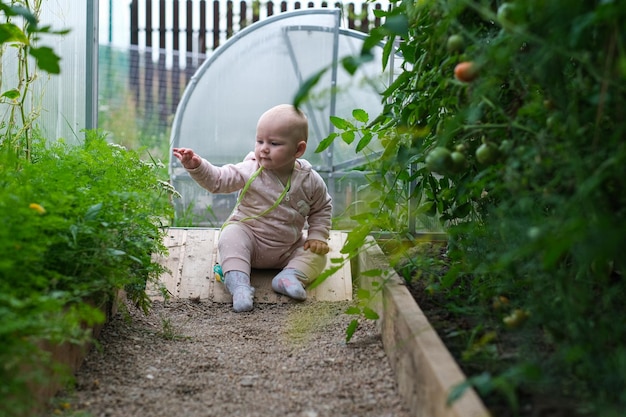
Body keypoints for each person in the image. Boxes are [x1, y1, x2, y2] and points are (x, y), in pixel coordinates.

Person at [172, 104, 332, 312]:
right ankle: (239, 285)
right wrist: (197, 166)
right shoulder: (250, 169)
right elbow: (219, 180)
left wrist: (317, 235)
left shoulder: (310, 180)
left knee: (318, 254)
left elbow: (322, 207)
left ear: (298, 150)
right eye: (260, 141)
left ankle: (290, 276)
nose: (264, 148)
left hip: (287, 248)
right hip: (250, 240)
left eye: (274, 143)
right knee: (230, 236)